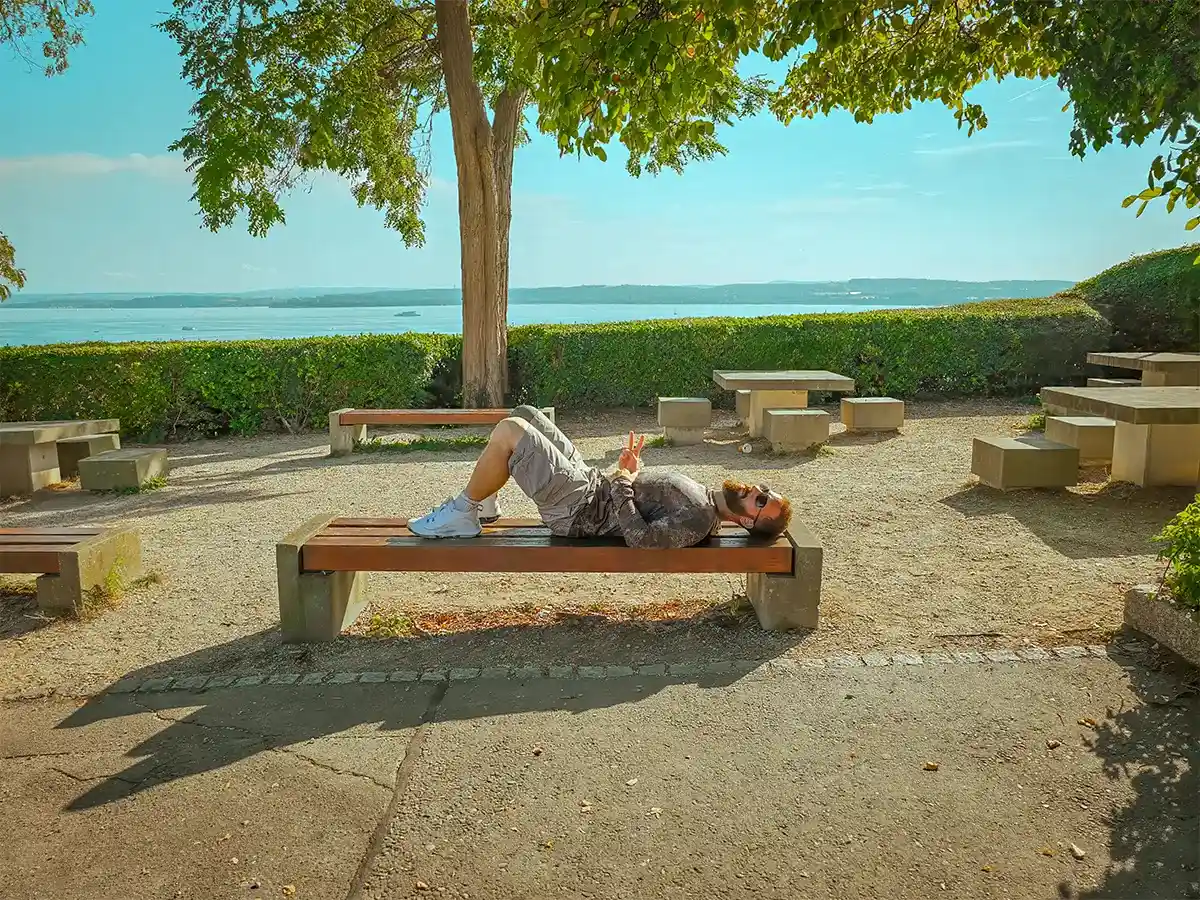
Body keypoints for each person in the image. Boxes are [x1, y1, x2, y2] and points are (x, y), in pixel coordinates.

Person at [407, 405, 793, 548]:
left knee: (511, 431)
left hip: (577, 510)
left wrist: (624, 477)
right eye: (765, 489)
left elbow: (640, 539)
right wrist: (632, 471)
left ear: (746, 520)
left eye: (761, 500)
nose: (757, 489)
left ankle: (465, 510)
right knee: (526, 413)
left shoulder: (699, 518)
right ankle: (486, 503)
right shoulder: (708, 504)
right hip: (590, 486)